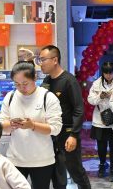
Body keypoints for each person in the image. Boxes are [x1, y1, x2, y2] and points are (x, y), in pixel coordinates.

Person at [0, 61, 62, 189]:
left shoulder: (47, 97)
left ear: (35, 78)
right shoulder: (10, 97)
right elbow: (0, 126)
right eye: (17, 84)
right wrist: (11, 124)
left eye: (25, 83)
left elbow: (56, 129)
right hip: (15, 159)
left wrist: (32, 125)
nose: (21, 88)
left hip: (42, 160)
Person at [39, 45, 91, 189]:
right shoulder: (46, 82)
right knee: (57, 173)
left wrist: (74, 134)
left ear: (55, 60)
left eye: (43, 59)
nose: (40, 63)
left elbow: (79, 110)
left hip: (67, 133)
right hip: (51, 134)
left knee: (75, 171)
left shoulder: (69, 80)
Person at [87, 62, 113, 181]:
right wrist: (100, 96)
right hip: (100, 119)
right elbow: (90, 100)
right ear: (103, 72)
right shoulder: (96, 83)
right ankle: (102, 165)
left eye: (110, 72)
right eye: (106, 72)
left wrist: (112, 96)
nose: (108, 75)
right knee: (101, 145)